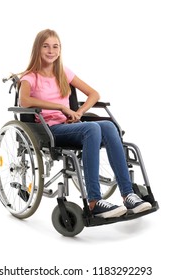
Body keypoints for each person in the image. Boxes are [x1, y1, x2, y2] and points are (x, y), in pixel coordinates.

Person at [19, 29, 152, 218]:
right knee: (92, 128)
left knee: (108, 126)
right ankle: (94, 201)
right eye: (46, 46)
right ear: (37, 49)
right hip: (48, 130)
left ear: (60, 49)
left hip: (69, 125)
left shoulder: (63, 73)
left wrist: (79, 112)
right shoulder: (30, 76)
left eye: (55, 46)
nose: (51, 51)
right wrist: (60, 107)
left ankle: (128, 193)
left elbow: (94, 94)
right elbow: (24, 101)